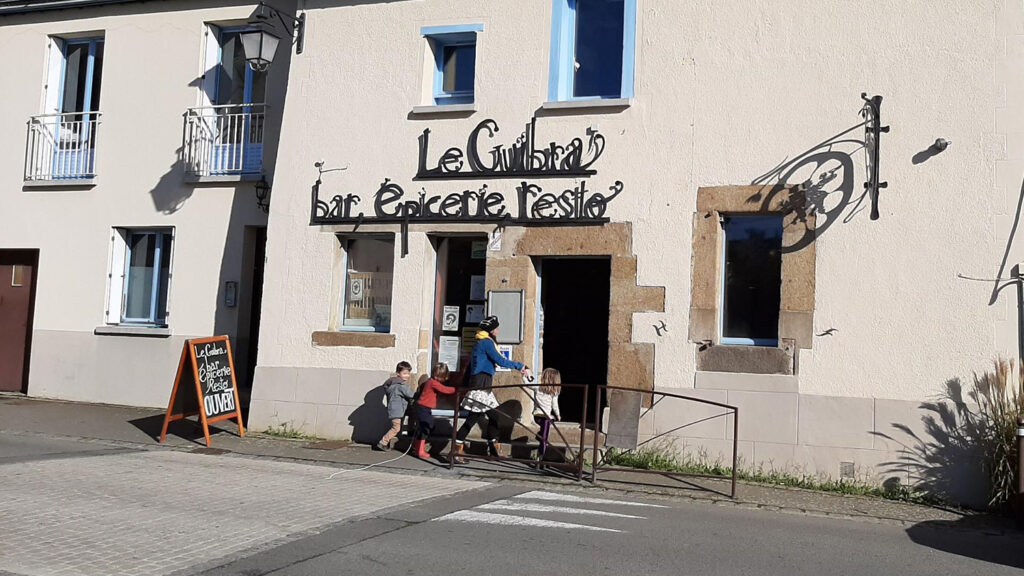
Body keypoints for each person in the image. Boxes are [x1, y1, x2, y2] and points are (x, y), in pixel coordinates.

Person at [451, 315, 531, 462]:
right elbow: (500, 360)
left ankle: (493, 448)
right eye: (496, 328)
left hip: (482, 382)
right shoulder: (486, 343)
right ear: (491, 330)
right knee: (473, 419)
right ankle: (457, 449)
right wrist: (520, 366)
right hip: (481, 384)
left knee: (493, 417)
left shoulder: (481, 341)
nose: (498, 331)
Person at [412, 363, 456, 459]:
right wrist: (456, 389)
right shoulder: (433, 382)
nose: (437, 378)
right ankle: (420, 450)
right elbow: (445, 390)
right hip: (423, 407)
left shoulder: (430, 382)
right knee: (427, 426)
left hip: (425, 408)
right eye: (436, 375)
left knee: (425, 427)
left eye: (440, 377)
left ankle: (416, 446)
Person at [377, 361, 414, 451]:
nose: (407, 376)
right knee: (396, 428)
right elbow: (411, 394)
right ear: (398, 373)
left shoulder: (391, 384)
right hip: (398, 411)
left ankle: (387, 442)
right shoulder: (400, 386)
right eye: (404, 373)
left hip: (393, 410)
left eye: (408, 373)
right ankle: (383, 442)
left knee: (395, 427)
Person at [532, 368, 562, 461]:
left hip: (545, 417)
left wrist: (557, 414)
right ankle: (540, 456)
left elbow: (554, 404)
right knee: (544, 436)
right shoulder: (538, 387)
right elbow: (528, 385)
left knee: (544, 433)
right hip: (539, 415)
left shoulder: (554, 392)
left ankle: (540, 444)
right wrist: (525, 375)